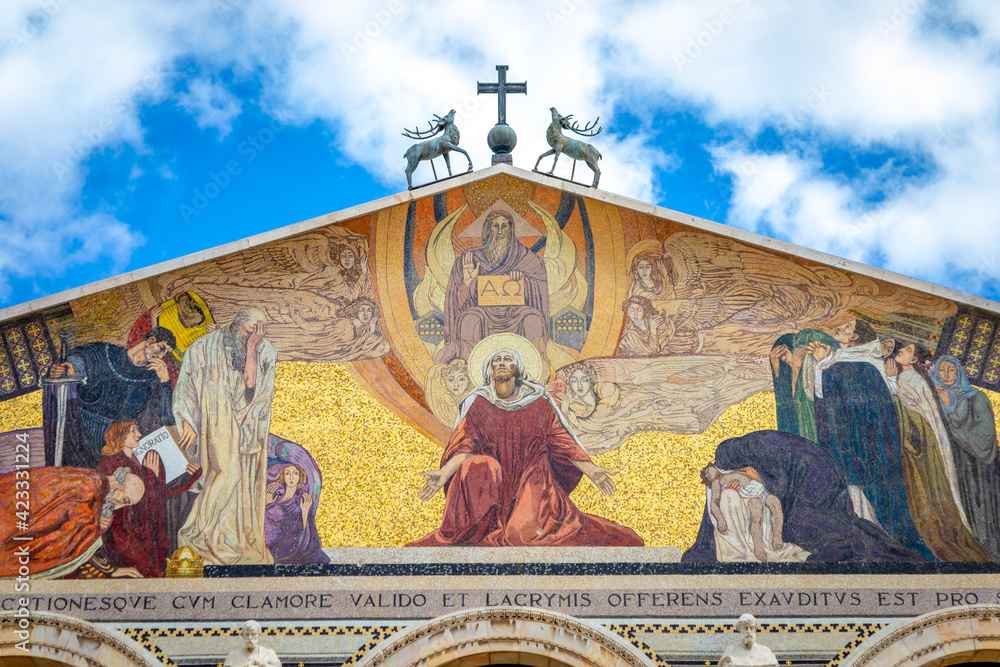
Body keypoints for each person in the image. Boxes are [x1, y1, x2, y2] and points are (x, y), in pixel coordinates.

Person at [410, 334, 643, 547]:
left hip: (532, 478)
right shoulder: (478, 403)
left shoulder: (538, 402)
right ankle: (477, 525)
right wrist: (444, 474)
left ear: (518, 368)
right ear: (489, 369)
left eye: (507, 359)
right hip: (494, 483)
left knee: (520, 536)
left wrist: (591, 470)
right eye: (496, 360)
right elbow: (465, 443)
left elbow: (562, 442)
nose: (501, 363)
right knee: (478, 464)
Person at [807, 318, 932, 560]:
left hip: (868, 446)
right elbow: (821, 400)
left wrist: (826, 364)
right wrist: (824, 364)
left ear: (854, 337)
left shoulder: (867, 362)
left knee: (866, 496)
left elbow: (867, 400)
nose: (838, 329)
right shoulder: (842, 359)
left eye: (845, 327)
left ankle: (879, 540)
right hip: (846, 442)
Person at [174, 308, 276, 565]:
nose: (253, 336)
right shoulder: (203, 347)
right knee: (227, 473)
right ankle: (196, 532)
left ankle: (224, 537)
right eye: (249, 331)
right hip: (215, 415)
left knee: (239, 480)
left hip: (245, 420)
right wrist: (187, 420)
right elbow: (185, 385)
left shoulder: (263, 350)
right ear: (237, 324)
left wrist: (252, 346)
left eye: (258, 332)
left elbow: (255, 387)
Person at [883, 344, 989, 561]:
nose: (901, 351)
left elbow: (907, 411)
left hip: (922, 442)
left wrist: (891, 380)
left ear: (914, 360)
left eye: (908, 350)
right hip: (928, 439)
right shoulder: (913, 378)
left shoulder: (908, 379)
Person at [43, 327, 177, 469]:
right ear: (150, 341)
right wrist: (72, 368)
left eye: (165, 353)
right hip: (86, 432)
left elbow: (165, 416)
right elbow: (86, 357)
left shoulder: (153, 375)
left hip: (121, 440)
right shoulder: (109, 353)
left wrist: (164, 380)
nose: (161, 356)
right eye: (161, 348)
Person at [436, 211, 549, 364]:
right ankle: (470, 369)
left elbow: (539, 288)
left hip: (515, 312)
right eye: (495, 226)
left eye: (505, 226)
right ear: (489, 230)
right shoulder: (471, 258)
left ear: (511, 229)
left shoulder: (524, 257)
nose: (500, 231)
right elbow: (456, 302)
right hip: (482, 312)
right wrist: (467, 283)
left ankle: (535, 366)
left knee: (533, 317)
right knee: (469, 318)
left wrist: (524, 281)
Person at [97, 421, 203, 577]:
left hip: (145, 532)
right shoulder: (111, 463)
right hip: (124, 535)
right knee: (148, 571)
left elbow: (157, 495)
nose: (139, 434)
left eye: (137, 430)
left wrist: (189, 477)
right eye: (133, 431)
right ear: (120, 436)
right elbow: (127, 505)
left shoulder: (137, 458)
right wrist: (151, 475)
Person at [0, 466, 146, 579]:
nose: (118, 507)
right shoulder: (90, 491)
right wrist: (98, 528)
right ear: (118, 488)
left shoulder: (90, 477)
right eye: (124, 501)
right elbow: (68, 540)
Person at [933, 355, 1000, 560]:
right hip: (951, 462)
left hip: (976, 464)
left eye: (951, 370)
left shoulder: (976, 397)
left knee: (978, 503)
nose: (946, 375)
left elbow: (986, 435)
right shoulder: (935, 395)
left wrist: (948, 407)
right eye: (942, 370)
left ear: (959, 372)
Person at [700, 464, 808, 563]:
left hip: (759, 491)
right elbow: (714, 503)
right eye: (707, 475)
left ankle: (777, 536)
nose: (709, 473)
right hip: (747, 497)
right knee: (756, 509)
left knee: (774, 501)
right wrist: (720, 519)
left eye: (708, 470)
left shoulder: (732, 472)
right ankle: (758, 545)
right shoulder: (716, 482)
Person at [264, 464, 327, 564]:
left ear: (300, 477)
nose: (291, 477)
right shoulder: (275, 494)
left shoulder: (300, 501)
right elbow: (266, 520)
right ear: (283, 477)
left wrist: (305, 511)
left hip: (288, 545)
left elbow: (304, 532)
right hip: (270, 540)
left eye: (295, 473)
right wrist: (268, 503)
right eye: (287, 474)